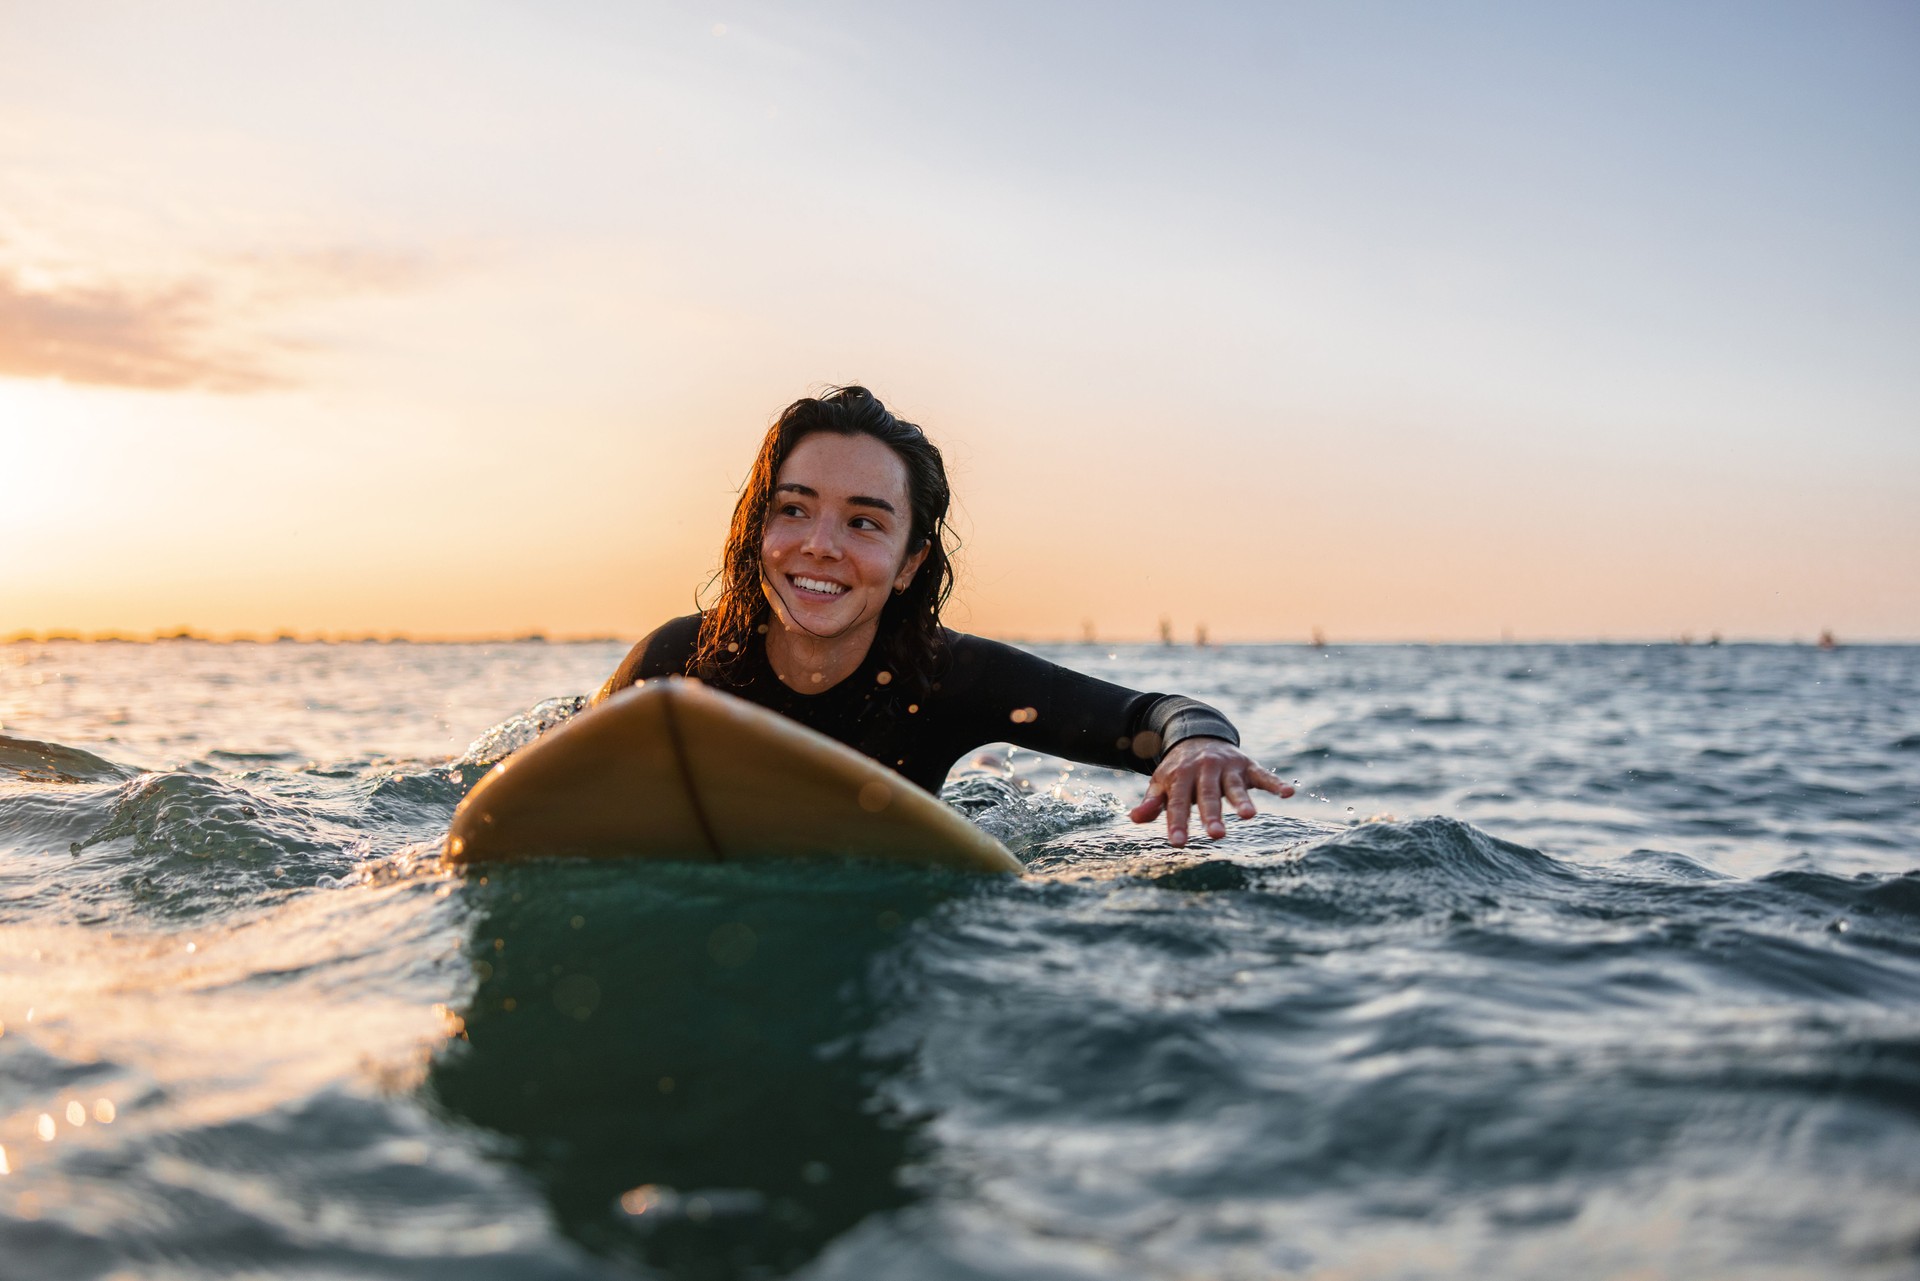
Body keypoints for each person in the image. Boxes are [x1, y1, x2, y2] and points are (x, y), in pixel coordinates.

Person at [595, 387, 1292, 847]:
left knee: (994, 785)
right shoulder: (677, 666)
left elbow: (1154, 716)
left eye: (864, 522)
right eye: (794, 508)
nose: (821, 545)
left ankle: (990, 763)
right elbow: (561, 783)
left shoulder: (945, 678)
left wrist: (1197, 743)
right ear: (758, 529)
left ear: (909, 562)